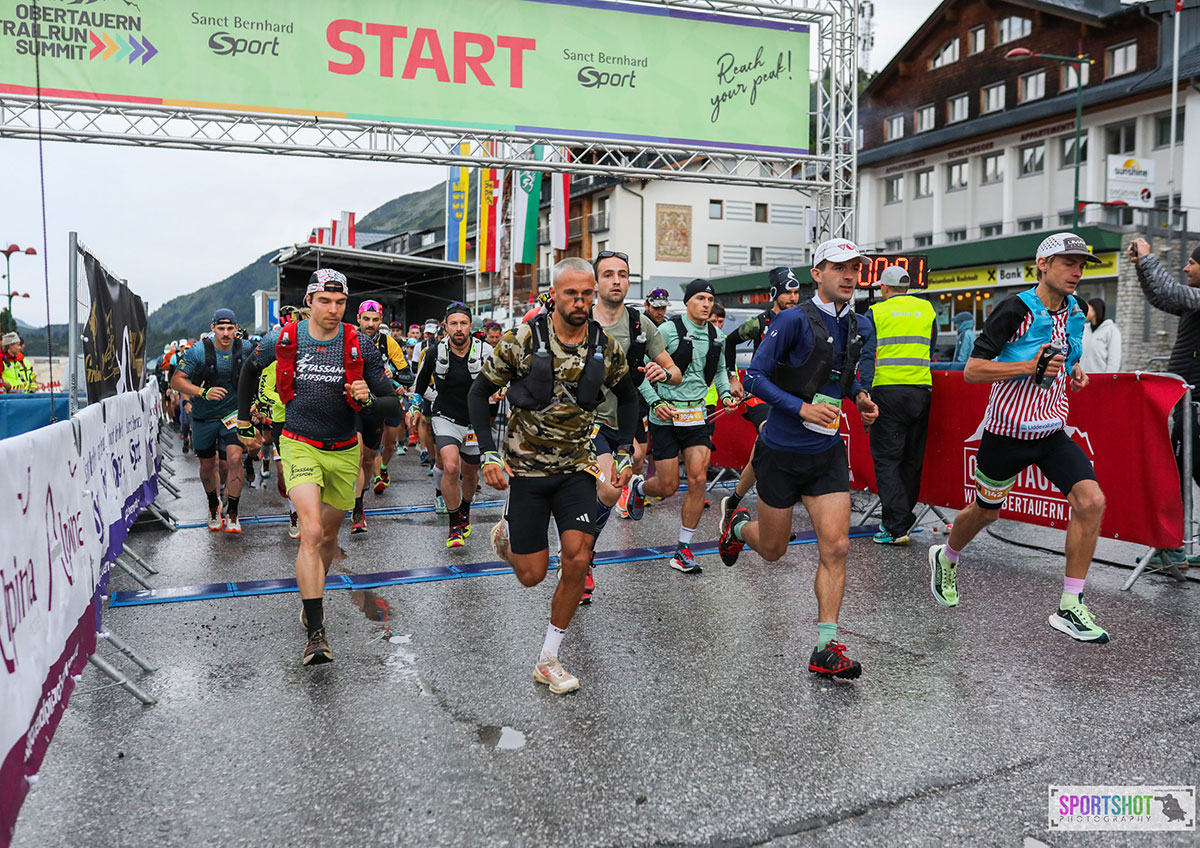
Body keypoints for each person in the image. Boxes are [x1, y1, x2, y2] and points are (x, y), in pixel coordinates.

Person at [468, 257, 639, 694]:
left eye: (587, 294)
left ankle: (548, 659)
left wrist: (621, 452)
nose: (580, 302)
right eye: (572, 293)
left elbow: (627, 396)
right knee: (531, 576)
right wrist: (488, 453)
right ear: (555, 293)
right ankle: (506, 537)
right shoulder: (524, 338)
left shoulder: (603, 344)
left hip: (576, 469)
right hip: (526, 471)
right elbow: (479, 392)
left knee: (578, 559)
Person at [928, 233, 1109, 644]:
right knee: (986, 513)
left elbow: (1067, 358)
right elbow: (972, 370)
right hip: (1006, 433)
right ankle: (947, 555)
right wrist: (1029, 367)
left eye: (1082, 265)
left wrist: (1074, 373)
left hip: (1051, 431)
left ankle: (1070, 605)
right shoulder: (1014, 309)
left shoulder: (1077, 310)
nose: (1077, 272)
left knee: (1091, 501)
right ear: (1042, 264)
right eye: (1068, 262)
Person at [717, 238, 879, 679]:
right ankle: (736, 526)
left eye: (855, 268)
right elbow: (755, 378)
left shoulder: (862, 325)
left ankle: (825, 646)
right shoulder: (791, 320)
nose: (849, 275)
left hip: (825, 454)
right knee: (773, 550)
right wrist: (801, 408)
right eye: (839, 267)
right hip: (780, 453)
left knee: (838, 546)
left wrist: (861, 397)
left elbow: (844, 378)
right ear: (818, 274)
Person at [237, 269, 398, 665]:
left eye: (340, 302)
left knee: (326, 538)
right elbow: (248, 370)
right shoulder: (286, 337)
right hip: (298, 443)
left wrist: (367, 400)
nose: (332, 309)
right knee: (309, 531)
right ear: (309, 301)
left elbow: (393, 405)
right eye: (324, 301)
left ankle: (311, 596)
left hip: (344, 450)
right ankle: (316, 631)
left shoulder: (359, 343)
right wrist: (244, 421)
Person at [622, 278, 738, 573]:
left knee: (698, 479)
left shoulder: (717, 337)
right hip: (666, 415)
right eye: (700, 298)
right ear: (687, 302)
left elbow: (721, 371)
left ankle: (683, 548)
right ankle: (639, 486)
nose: (706, 304)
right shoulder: (668, 330)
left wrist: (725, 394)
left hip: (696, 415)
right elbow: (642, 370)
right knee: (668, 486)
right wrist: (655, 403)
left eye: (710, 300)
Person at [586, 249, 680, 601]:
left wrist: (663, 373)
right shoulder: (580, 318)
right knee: (609, 490)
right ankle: (582, 555)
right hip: (583, 422)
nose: (616, 281)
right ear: (595, 282)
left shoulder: (640, 324)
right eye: (608, 274)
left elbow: (674, 371)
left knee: (615, 484)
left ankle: (583, 554)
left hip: (623, 422)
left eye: (622, 275)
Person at [718, 267, 803, 534]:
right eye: (787, 292)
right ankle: (774, 519)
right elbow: (729, 343)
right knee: (772, 440)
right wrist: (733, 378)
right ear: (775, 293)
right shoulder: (760, 322)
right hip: (760, 394)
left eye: (796, 292)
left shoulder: (802, 321)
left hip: (789, 397)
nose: (792, 297)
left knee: (764, 453)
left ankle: (733, 500)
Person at [866, 264, 938, 545]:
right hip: (921, 389)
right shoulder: (926, 309)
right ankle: (900, 521)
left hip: (888, 391)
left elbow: (867, 353)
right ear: (907, 288)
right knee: (911, 460)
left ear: (884, 288)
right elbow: (930, 347)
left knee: (887, 460)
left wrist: (865, 393)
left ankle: (896, 526)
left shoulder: (876, 312)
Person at [1132, 238, 1200, 528]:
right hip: (1188, 401)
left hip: (1196, 404)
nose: (1185, 268)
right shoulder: (1193, 303)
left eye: (1192, 263)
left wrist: (1149, 259)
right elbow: (1160, 298)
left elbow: (1168, 290)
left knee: (1189, 471)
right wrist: (1140, 267)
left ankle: (1176, 545)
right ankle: (1177, 545)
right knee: (1183, 471)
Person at [413, 302, 492, 548]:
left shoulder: (485, 351)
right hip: (445, 417)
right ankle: (454, 524)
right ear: (445, 326)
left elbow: (502, 378)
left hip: (474, 421)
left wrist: (498, 393)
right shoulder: (436, 351)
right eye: (454, 324)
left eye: (463, 323)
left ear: (470, 326)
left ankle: (465, 509)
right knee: (449, 466)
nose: (459, 329)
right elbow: (421, 382)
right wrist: (418, 405)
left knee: (470, 474)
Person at [171, 309, 255, 533]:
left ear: (236, 328)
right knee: (208, 465)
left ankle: (234, 513)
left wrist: (257, 402)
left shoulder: (246, 348)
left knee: (235, 458)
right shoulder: (199, 351)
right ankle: (212, 505)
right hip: (204, 416)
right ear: (213, 328)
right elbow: (176, 381)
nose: (226, 333)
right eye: (221, 329)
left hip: (233, 414)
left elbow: (261, 373)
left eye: (230, 328)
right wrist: (202, 392)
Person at [1080, 297, 1122, 373]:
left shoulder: (1111, 330)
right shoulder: (1084, 329)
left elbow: (1114, 359)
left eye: (1087, 308)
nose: (1084, 311)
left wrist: (1107, 379)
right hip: (1081, 378)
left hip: (1100, 379)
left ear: (1095, 309)